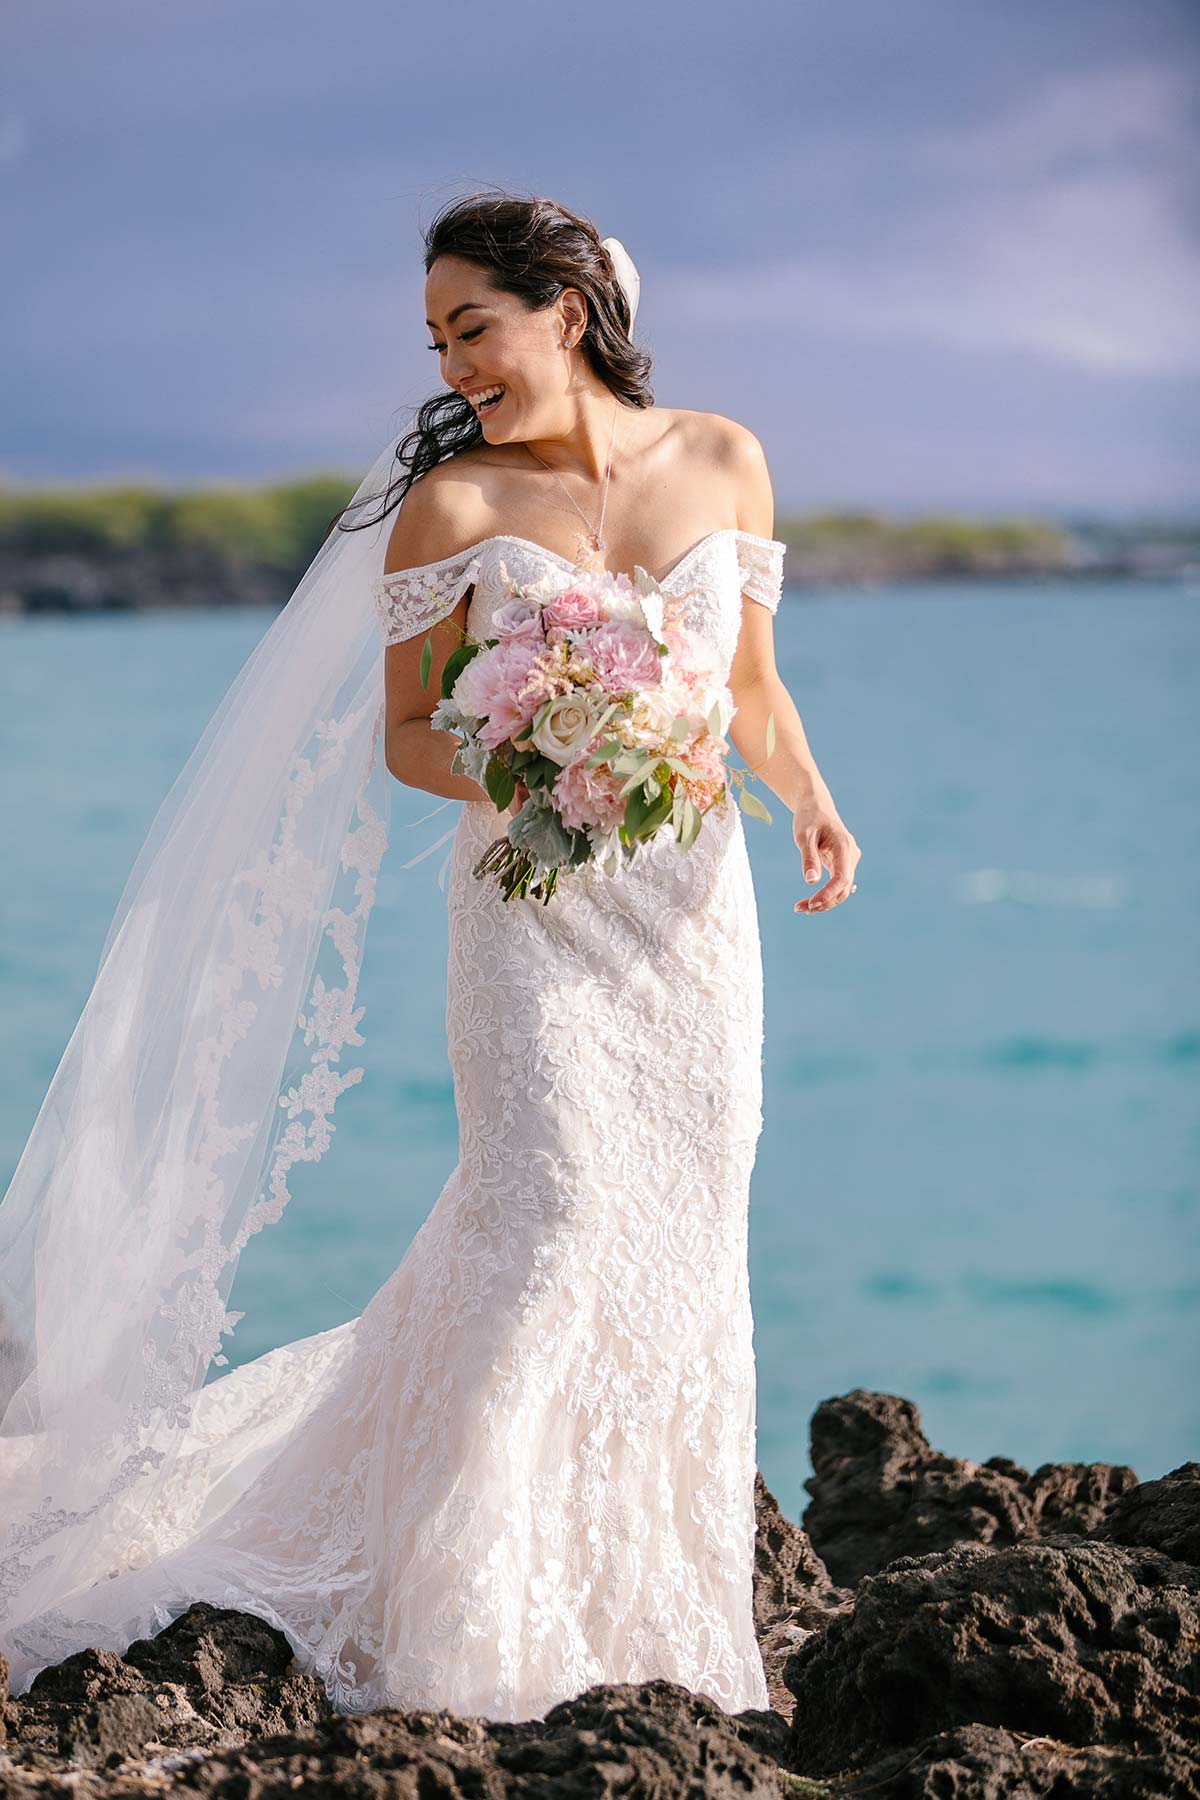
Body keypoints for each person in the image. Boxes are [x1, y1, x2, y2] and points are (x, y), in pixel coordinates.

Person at [0, 189, 860, 1721]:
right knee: (548, 1222)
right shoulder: (453, 508)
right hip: (529, 914)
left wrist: (814, 804)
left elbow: (752, 691)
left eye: (476, 327)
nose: (455, 361)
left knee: (678, 1246)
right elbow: (411, 736)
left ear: (566, 313)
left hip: (689, 922)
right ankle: (466, 1609)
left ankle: (637, 1608)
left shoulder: (725, 458)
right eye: (437, 337)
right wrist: (543, 762)